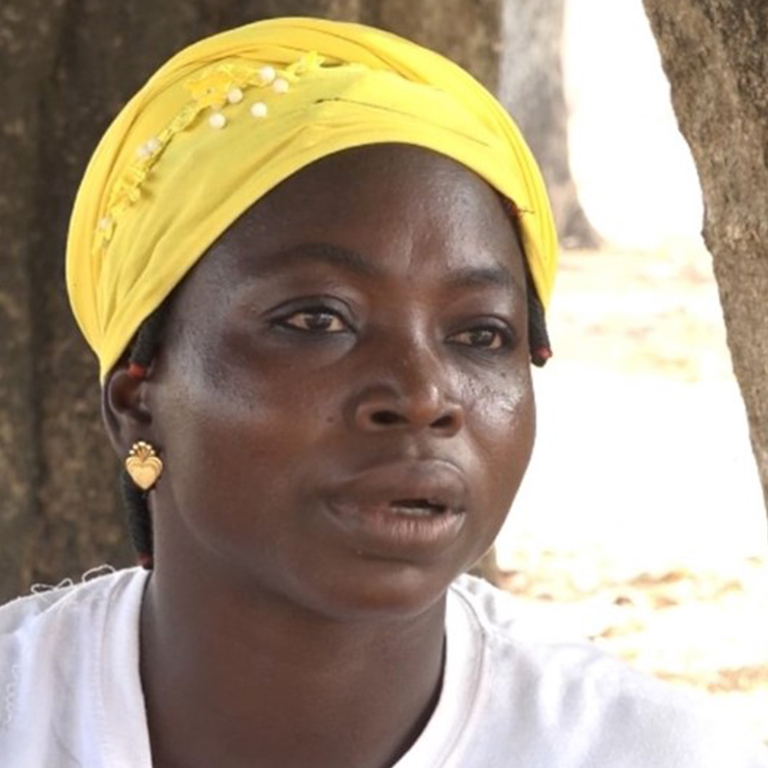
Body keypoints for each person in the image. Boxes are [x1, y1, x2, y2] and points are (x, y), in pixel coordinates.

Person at [0, 16, 765, 768]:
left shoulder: (644, 752)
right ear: (137, 398)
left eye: (479, 335)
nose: (424, 394)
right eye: (316, 319)